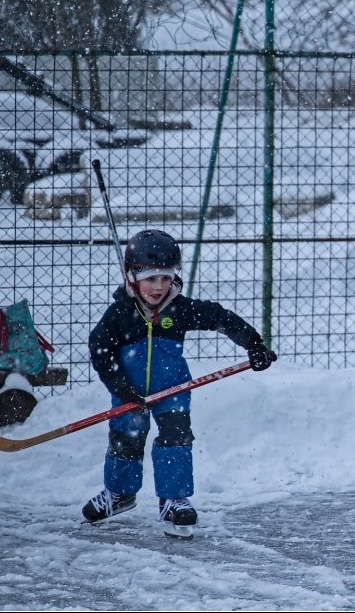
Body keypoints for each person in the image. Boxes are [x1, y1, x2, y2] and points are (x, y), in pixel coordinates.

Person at [82, 229, 276, 535]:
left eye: (166, 277)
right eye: (151, 278)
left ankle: (174, 500)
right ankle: (119, 494)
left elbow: (220, 317)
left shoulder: (180, 309)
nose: (159, 286)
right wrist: (120, 387)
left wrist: (253, 344)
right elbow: (99, 349)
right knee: (125, 440)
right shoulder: (120, 313)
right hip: (130, 392)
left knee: (176, 439)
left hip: (173, 389)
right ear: (132, 276)